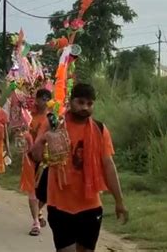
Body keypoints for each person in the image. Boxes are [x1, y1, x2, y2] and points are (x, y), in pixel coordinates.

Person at [31, 83, 128, 251]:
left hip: (90, 205)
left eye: (89, 104)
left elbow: (108, 165)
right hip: (60, 205)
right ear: (70, 101)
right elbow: (36, 156)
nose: (85, 107)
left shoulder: (100, 129)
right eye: (80, 102)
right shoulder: (54, 124)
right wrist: (45, 138)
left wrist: (119, 201)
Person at [20, 88, 51, 236]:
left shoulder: (52, 118)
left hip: (46, 158)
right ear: (36, 99)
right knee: (32, 189)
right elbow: (20, 132)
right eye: (42, 98)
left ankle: (38, 211)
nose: (44, 101)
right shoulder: (28, 115)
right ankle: (35, 223)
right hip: (29, 157)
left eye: (47, 99)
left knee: (46, 192)